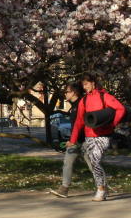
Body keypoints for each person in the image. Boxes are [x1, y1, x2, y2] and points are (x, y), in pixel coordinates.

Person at [51, 73, 125, 201]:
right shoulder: (84, 101)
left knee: (95, 161)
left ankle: (101, 189)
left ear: (93, 83)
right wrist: (73, 140)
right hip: (89, 137)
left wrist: (113, 124)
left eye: (86, 84)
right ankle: (102, 188)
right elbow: (79, 122)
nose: (84, 87)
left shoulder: (104, 96)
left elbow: (120, 109)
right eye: (83, 85)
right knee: (94, 163)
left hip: (102, 136)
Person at [49, 81, 83, 195]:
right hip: (74, 141)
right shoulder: (73, 107)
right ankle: (64, 189)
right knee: (67, 162)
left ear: (74, 93)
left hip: (84, 141)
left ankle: (102, 187)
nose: (65, 94)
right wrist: (71, 140)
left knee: (93, 165)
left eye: (67, 92)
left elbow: (81, 125)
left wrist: (74, 140)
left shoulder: (81, 105)